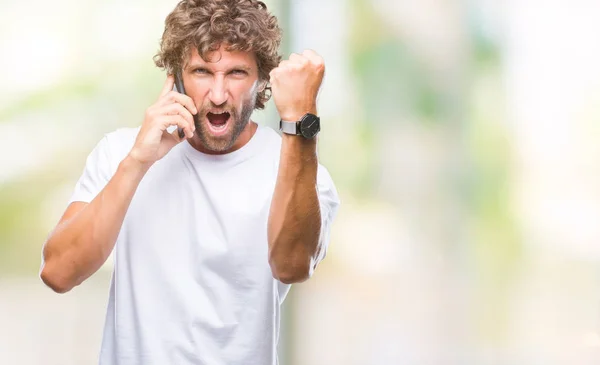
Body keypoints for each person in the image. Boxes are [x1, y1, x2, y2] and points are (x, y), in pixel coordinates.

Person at [39, 0, 340, 364]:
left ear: (262, 80)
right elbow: (58, 273)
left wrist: (301, 120)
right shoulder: (120, 152)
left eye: (236, 73)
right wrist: (138, 161)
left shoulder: (298, 168)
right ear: (176, 77)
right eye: (201, 71)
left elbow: (292, 266)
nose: (217, 94)